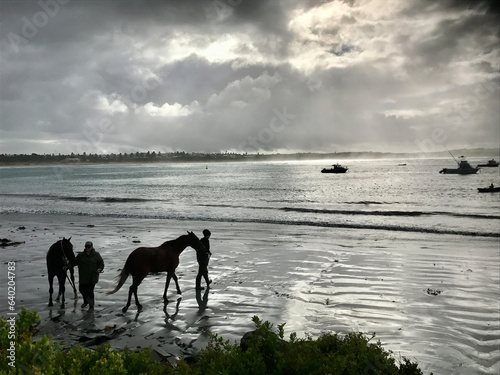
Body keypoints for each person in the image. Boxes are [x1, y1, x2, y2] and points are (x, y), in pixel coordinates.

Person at [75, 241, 104, 311]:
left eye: (89, 247)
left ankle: (91, 306)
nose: (87, 248)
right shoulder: (80, 255)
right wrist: (67, 266)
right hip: (83, 277)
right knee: (81, 289)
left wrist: (99, 269)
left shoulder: (96, 255)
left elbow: (101, 263)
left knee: (90, 291)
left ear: (92, 247)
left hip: (92, 277)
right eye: (86, 247)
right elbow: (74, 262)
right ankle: (86, 301)